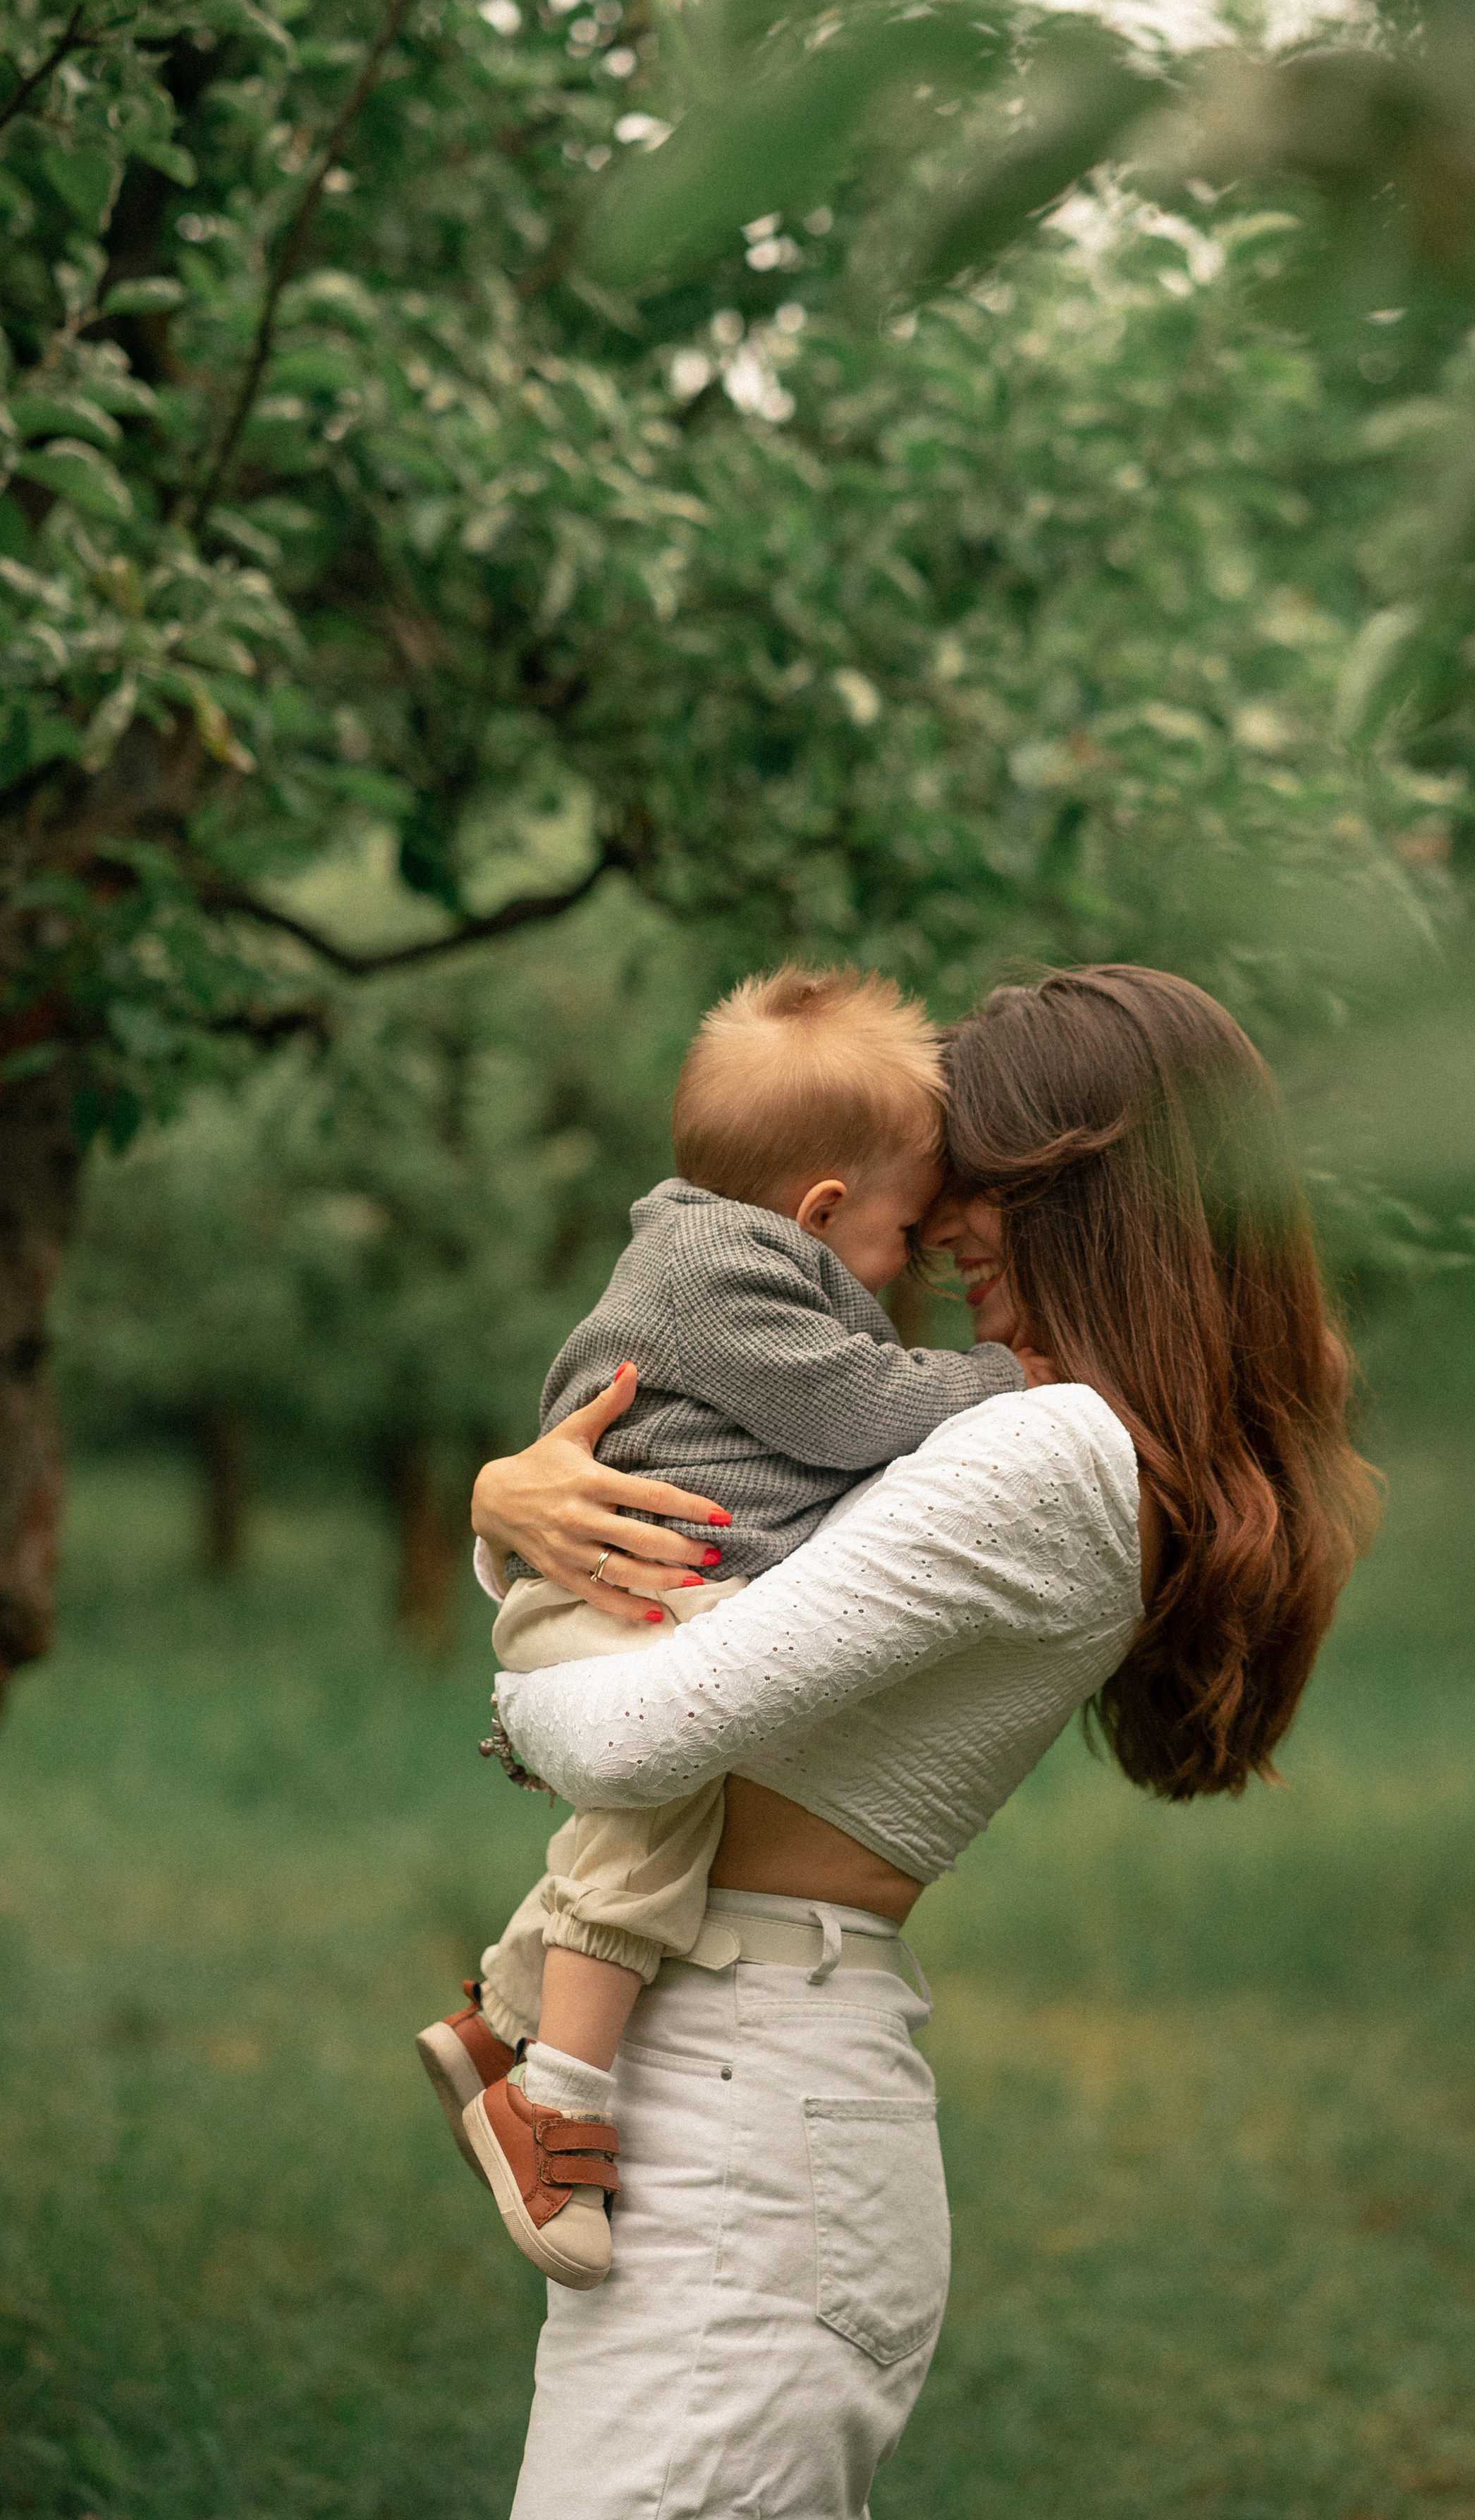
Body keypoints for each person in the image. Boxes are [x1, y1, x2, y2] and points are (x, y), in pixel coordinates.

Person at [463, 966, 1380, 2520]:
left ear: (1097, 1199)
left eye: (987, 1189)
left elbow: (626, 1741)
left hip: (752, 2101)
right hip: (734, 2072)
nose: (944, 1227)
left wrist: (509, 1589)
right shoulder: (1069, 1441)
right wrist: (517, 1509)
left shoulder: (1050, 1446)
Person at [415, 966, 1039, 2289]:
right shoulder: (727, 1277)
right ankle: (556, 2098)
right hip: (606, 1598)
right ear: (821, 1211)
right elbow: (855, 1412)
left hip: (626, 1589)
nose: (906, 1266)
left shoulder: (714, 1250)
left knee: (646, 1820)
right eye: (899, 1235)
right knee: (668, 1811)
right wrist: (1006, 1380)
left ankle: (497, 2029)